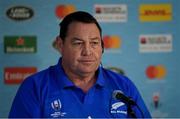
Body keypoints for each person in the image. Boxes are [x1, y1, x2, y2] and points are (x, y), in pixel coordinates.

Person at [9, 11, 151, 118]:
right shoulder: (35, 87)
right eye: (78, 43)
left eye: (94, 43)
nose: (87, 52)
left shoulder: (123, 86)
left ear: (102, 47)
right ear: (60, 45)